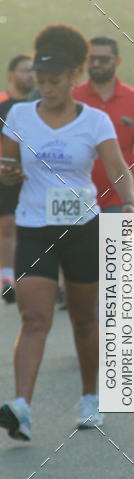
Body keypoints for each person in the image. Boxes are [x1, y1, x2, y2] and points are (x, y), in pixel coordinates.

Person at [0, 24, 134, 441]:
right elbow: (6, 169)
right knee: (35, 316)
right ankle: (21, 406)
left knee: (82, 318)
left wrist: (129, 205)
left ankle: (91, 397)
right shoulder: (20, 115)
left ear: (74, 77)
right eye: (40, 81)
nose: (46, 89)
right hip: (35, 225)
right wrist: (9, 173)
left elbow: (117, 170)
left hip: (82, 227)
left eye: (55, 81)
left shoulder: (95, 121)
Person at [72, 36, 134, 216]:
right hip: (74, 200)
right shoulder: (71, 98)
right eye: (91, 59)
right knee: (78, 245)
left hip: (120, 201)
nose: (96, 64)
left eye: (104, 59)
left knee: (117, 245)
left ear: (118, 61)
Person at [0, 55, 35, 302]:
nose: (30, 75)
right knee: (8, 223)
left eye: (33, 70)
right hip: (7, 172)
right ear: (11, 74)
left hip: (37, 173)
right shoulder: (3, 103)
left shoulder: (41, 105)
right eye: (24, 70)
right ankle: (7, 279)